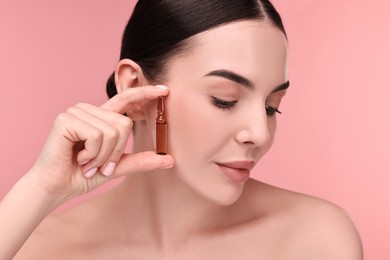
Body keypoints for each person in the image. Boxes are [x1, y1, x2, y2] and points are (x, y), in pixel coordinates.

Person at [0, 0, 363, 259]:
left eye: (271, 107)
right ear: (135, 89)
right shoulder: (36, 247)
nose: (260, 134)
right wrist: (39, 190)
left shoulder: (314, 238)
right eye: (225, 99)